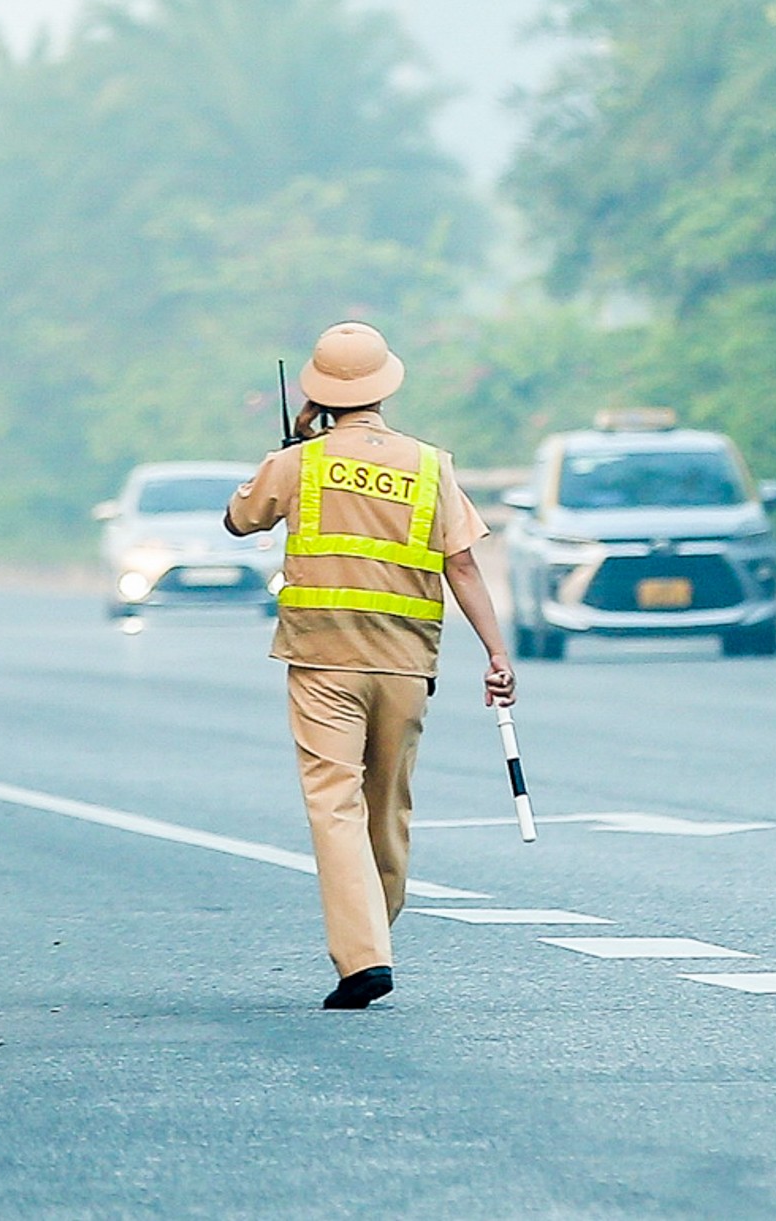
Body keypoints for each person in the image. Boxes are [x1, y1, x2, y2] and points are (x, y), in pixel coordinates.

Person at [225, 321, 516, 1010]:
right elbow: (464, 563)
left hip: (324, 658)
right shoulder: (430, 464)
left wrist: (292, 445)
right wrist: (497, 653)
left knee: (335, 804)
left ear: (318, 394)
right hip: (405, 663)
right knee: (386, 810)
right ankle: (374, 932)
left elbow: (240, 519)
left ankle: (364, 956)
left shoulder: (304, 460)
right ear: (387, 383)